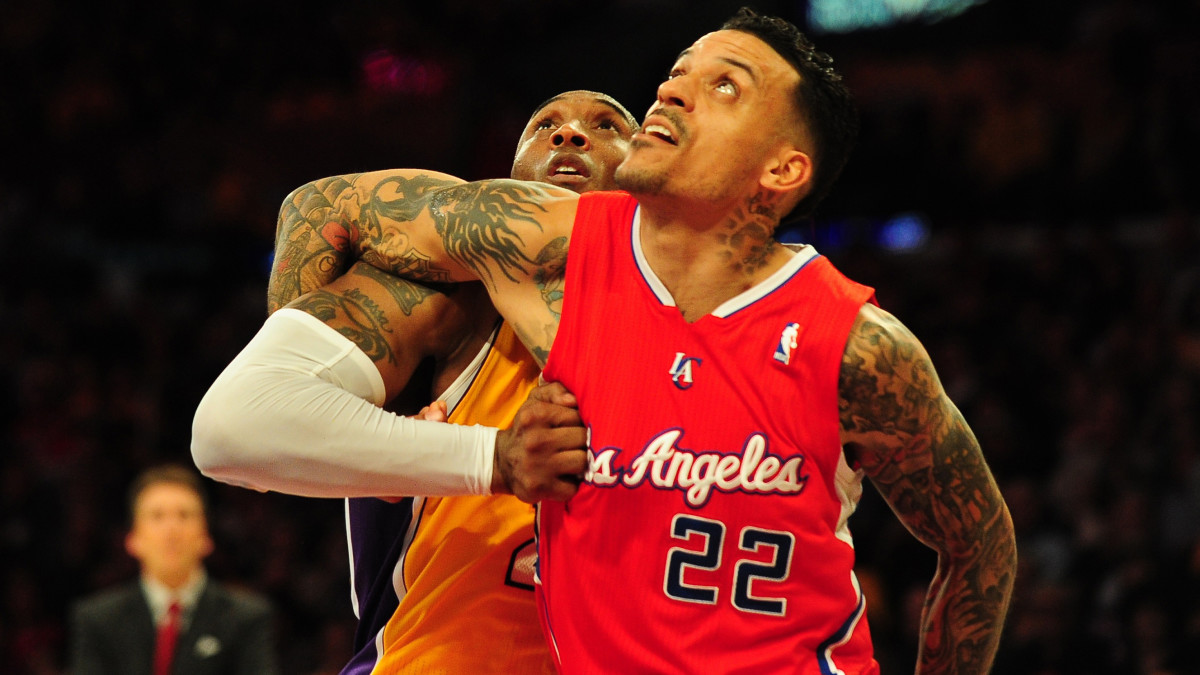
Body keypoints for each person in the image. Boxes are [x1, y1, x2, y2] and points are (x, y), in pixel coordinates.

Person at [203, 8, 1017, 673]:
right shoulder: (472, 281)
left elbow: (980, 545)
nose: (672, 90)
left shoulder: (854, 344)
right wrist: (393, 436)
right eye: (676, 74)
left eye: (722, 86)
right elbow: (313, 216)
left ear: (780, 169)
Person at [192, 90, 639, 673]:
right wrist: (481, 455)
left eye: (606, 125)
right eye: (543, 125)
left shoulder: (706, 320)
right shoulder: (446, 299)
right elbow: (229, 430)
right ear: (505, 182)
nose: (569, 133)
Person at [69, 464, 278, 675]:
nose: (172, 531)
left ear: (206, 537)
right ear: (133, 539)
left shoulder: (245, 619)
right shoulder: (98, 620)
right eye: (157, 516)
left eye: (184, 515)